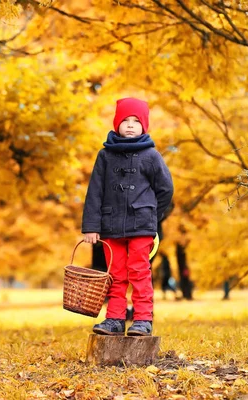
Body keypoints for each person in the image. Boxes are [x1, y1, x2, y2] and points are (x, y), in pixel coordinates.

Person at [82, 97, 173, 336]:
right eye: (125, 120)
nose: (130, 125)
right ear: (116, 124)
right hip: (111, 225)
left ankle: (143, 319)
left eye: (136, 121)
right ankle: (114, 319)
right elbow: (95, 191)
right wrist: (92, 226)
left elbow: (166, 190)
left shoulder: (151, 155)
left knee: (139, 272)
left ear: (144, 125)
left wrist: (152, 214)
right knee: (115, 274)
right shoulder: (105, 156)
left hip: (141, 226)